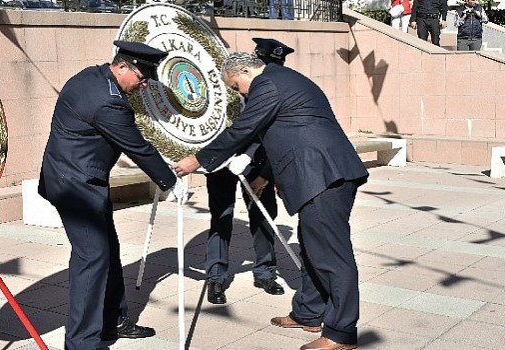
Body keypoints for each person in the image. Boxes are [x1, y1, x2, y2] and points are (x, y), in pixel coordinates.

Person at [172, 52, 368, 350]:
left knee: (331, 255)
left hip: (324, 174)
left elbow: (244, 129)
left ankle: (341, 333)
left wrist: (196, 160)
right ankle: (309, 312)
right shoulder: (278, 80)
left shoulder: (268, 84)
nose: (240, 93)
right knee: (313, 247)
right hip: (316, 173)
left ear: (246, 71)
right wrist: (264, 174)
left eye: (237, 86)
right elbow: (277, 133)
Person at [37, 41, 187, 350]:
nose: (144, 85)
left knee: (108, 249)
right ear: (123, 67)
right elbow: (138, 146)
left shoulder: (91, 77)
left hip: (81, 179)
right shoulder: (107, 101)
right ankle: (81, 342)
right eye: (142, 79)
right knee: (92, 257)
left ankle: (112, 322)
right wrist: (169, 179)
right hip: (75, 186)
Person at [202, 38, 295, 305]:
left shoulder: (271, 85)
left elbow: (269, 128)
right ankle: (216, 277)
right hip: (221, 160)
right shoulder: (228, 81)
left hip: (255, 161)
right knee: (221, 216)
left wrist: (253, 159)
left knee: (263, 216)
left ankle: (265, 272)